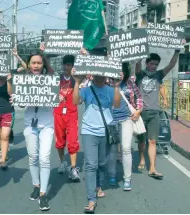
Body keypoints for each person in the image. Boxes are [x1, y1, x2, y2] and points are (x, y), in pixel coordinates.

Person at [72, 67, 122, 213]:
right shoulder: (87, 90)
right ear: (92, 75)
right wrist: (76, 83)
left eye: (102, 75)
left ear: (106, 75)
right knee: (91, 165)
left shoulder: (111, 89)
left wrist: (117, 86)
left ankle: (98, 185)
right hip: (89, 131)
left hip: (106, 131)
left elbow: (117, 104)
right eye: (97, 74)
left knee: (102, 163)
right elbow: (75, 101)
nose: (99, 77)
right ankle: (91, 199)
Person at [135, 51, 180, 179]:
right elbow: (137, 64)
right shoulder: (140, 75)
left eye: (156, 64)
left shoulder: (159, 75)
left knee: (153, 141)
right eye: (152, 64)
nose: (154, 66)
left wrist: (177, 51)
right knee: (142, 141)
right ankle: (142, 158)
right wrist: (138, 51)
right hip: (141, 113)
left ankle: (153, 168)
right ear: (146, 63)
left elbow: (171, 65)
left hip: (154, 113)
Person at [19, 51, 55, 211]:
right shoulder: (22, 80)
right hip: (29, 125)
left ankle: (43, 194)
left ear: (43, 65)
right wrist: (17, 99)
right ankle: (36, 185)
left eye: (39, 63)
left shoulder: (50, 79)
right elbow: (20, 104)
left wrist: (56, 99)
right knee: (33, 157)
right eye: (33, 63)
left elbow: (54, 93)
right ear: (28, 64)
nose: (36, 66)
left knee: (45, 158)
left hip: (47, 125)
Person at [108, 62, 143, 191]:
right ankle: (112, 174)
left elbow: (139, 97)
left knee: (126, 148)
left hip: (126, 119)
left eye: (121, 70)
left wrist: (138, 110)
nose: (119, 73)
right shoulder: (107, 82)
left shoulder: (130, 83)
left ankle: (127, 178)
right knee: (112, 149)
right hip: (111, 120)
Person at [54, 55, 80, 181]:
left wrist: (85, 54)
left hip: (71, 113)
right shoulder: (56, 79)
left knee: (73, 141)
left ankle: (73, 167)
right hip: (58, 113)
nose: (66, 67)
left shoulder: (76, 80)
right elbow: (49, 93)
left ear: (73, 66)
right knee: (60, 141)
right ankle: (63, 162)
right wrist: (55, 96)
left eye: (69, 64)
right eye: (65, 64)